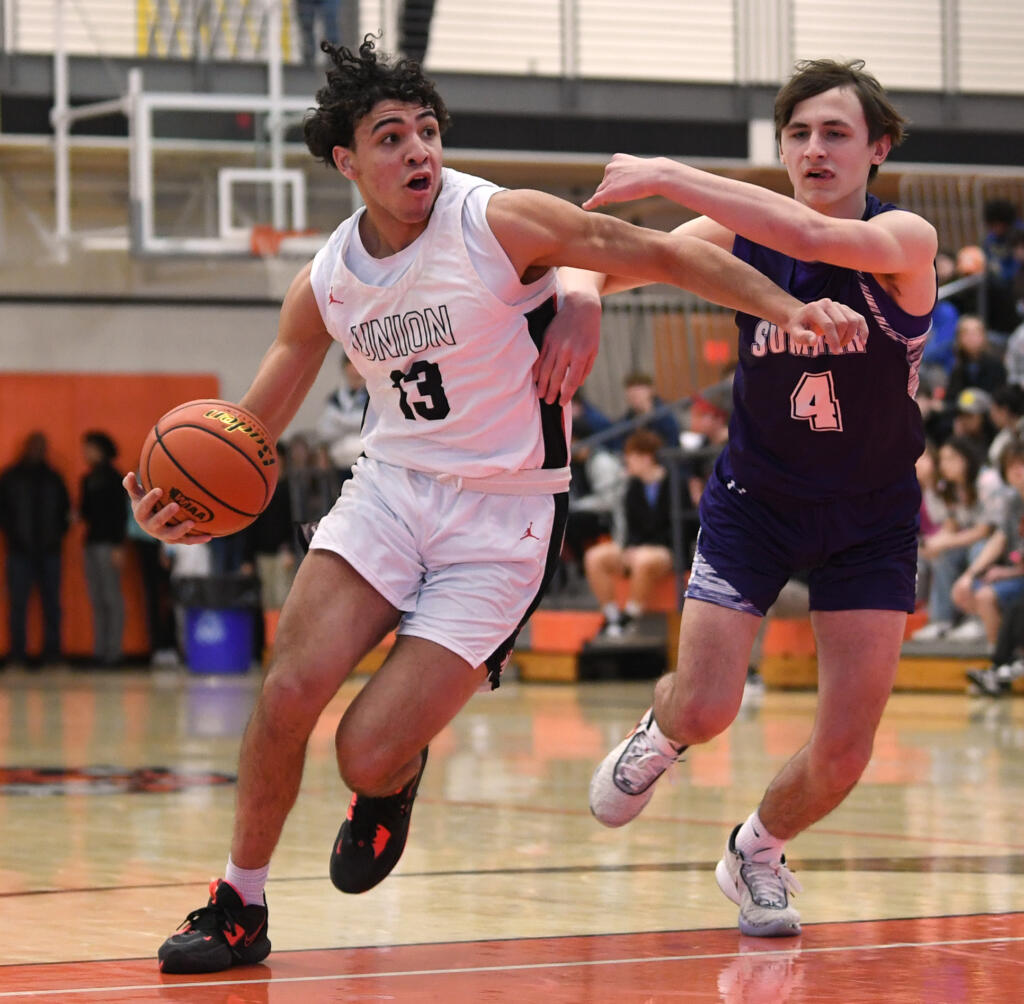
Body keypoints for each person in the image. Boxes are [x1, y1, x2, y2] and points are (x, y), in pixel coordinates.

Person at [126, 36, 864, 974]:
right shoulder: (330, 281)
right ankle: (241, 902)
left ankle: (387, 781)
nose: (418, 152)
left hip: (504, 519)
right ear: (346, 160)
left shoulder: (498, 220)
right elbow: (243, 431)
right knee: (287, 692)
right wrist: (174, 501)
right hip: (391, 491)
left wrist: (785, 308)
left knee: (362, 750)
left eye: (428, 131)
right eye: (390, 138)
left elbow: (653, 254)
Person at [576, 58, 937, 937]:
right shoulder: (740, 236)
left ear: (876, 148)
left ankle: (757, 851)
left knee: (847, 753)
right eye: (799, 133)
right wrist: (583, 296)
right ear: (781, 147)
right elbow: (605, 264)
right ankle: (661, 737)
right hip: (758, 500)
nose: (815, 149)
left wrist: (661, 173)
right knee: (707, 704)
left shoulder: (908, 239)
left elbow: (815, 241)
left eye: (837, 133)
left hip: (872, 518)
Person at [584, 429, 676, 636]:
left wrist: (644, 547)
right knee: (595, 557)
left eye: (632, 457)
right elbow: (631, 526)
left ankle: (631, 616)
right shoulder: (632, 486)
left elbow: (679, 526)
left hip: (665, 549)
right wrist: (630, 547)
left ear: (646, 457)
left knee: (643, 559)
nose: (627, 462)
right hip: (636, 546)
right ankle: (612, 617)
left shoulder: (674, 482)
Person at [0, 432, 70, 668]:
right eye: (34, 446)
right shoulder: (10, 478)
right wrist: (14, 537)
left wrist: (56, 537)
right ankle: (17, 656)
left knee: (52, 605)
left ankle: (53, 656)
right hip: (19, 551)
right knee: (17, 605)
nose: (37, 451)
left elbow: (65, 512)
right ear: (26, 447)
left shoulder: (54, 478)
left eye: (41, 446)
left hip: (50, 551)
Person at [79, 431, 128, 667]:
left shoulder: (114, 478)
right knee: (97, 599)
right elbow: (86, 512)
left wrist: (119, 545)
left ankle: (114, 652)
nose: (85, 453)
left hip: (109, 544)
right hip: (91, 542)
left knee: (111, 598)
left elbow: (121, 515)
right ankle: (100, 652)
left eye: (89, 447)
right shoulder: (87, 479)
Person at [315, 352, 369, 477]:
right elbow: (325, 430)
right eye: (351, 364)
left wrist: (341, 421)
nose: (355, 369)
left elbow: (372, 425)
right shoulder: (335, 398)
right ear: (345, 368)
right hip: (341, 464)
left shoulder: (374, 396)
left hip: (367, 462)